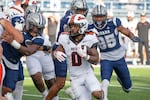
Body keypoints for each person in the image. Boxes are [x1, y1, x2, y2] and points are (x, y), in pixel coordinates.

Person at [88, 4, 141, 100]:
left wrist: (133, 37)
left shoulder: (113, 22)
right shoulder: (90, 28)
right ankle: (104, 98)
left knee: (128, 88)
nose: (99, 19)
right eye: (96, 16)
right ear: (93, 17)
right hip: (105, 58)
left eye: (100, 16)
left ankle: (121, 80)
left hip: (119, 57)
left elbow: (125, 31)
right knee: (104, 81)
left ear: (105, 16)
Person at [53, 14, 104, 100]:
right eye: (71, 26)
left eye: (75, 26)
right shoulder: (64, 38)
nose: (72, 28)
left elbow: (96, 60)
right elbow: (56, 53)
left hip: (88, 74)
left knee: (98, 95)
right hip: (75, 78)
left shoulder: (90, 38)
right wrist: (55, 54)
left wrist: (86, 56)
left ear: (82, 26)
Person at [46, 0, 89, 99]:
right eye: (79, 10)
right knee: (60, 83)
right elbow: (71, 35)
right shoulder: (68, 19)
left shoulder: (74, 17)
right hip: (62, 50)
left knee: (86, 73)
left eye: (83, 10)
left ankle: (75, 91)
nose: (82, 13)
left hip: (71, 48)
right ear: (74, 10)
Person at [1, 12, 45, 100]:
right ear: (29, 24)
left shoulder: (38, 38)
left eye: (39, 28)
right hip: (2, 57)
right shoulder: (17, 22)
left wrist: (12, 42)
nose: (37, 30)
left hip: (13, 62)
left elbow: (28, 51)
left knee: (8, 89)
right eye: (35, 26)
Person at [24, 4, 58, 100]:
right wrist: (43, 48)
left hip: (44, 54)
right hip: (32, 54)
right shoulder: (22, 25)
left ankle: (55, 98)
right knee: (35, 75)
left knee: (50, 79)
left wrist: (44, 48)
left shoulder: (40, 23)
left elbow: (46, 46)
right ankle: (45, 95)